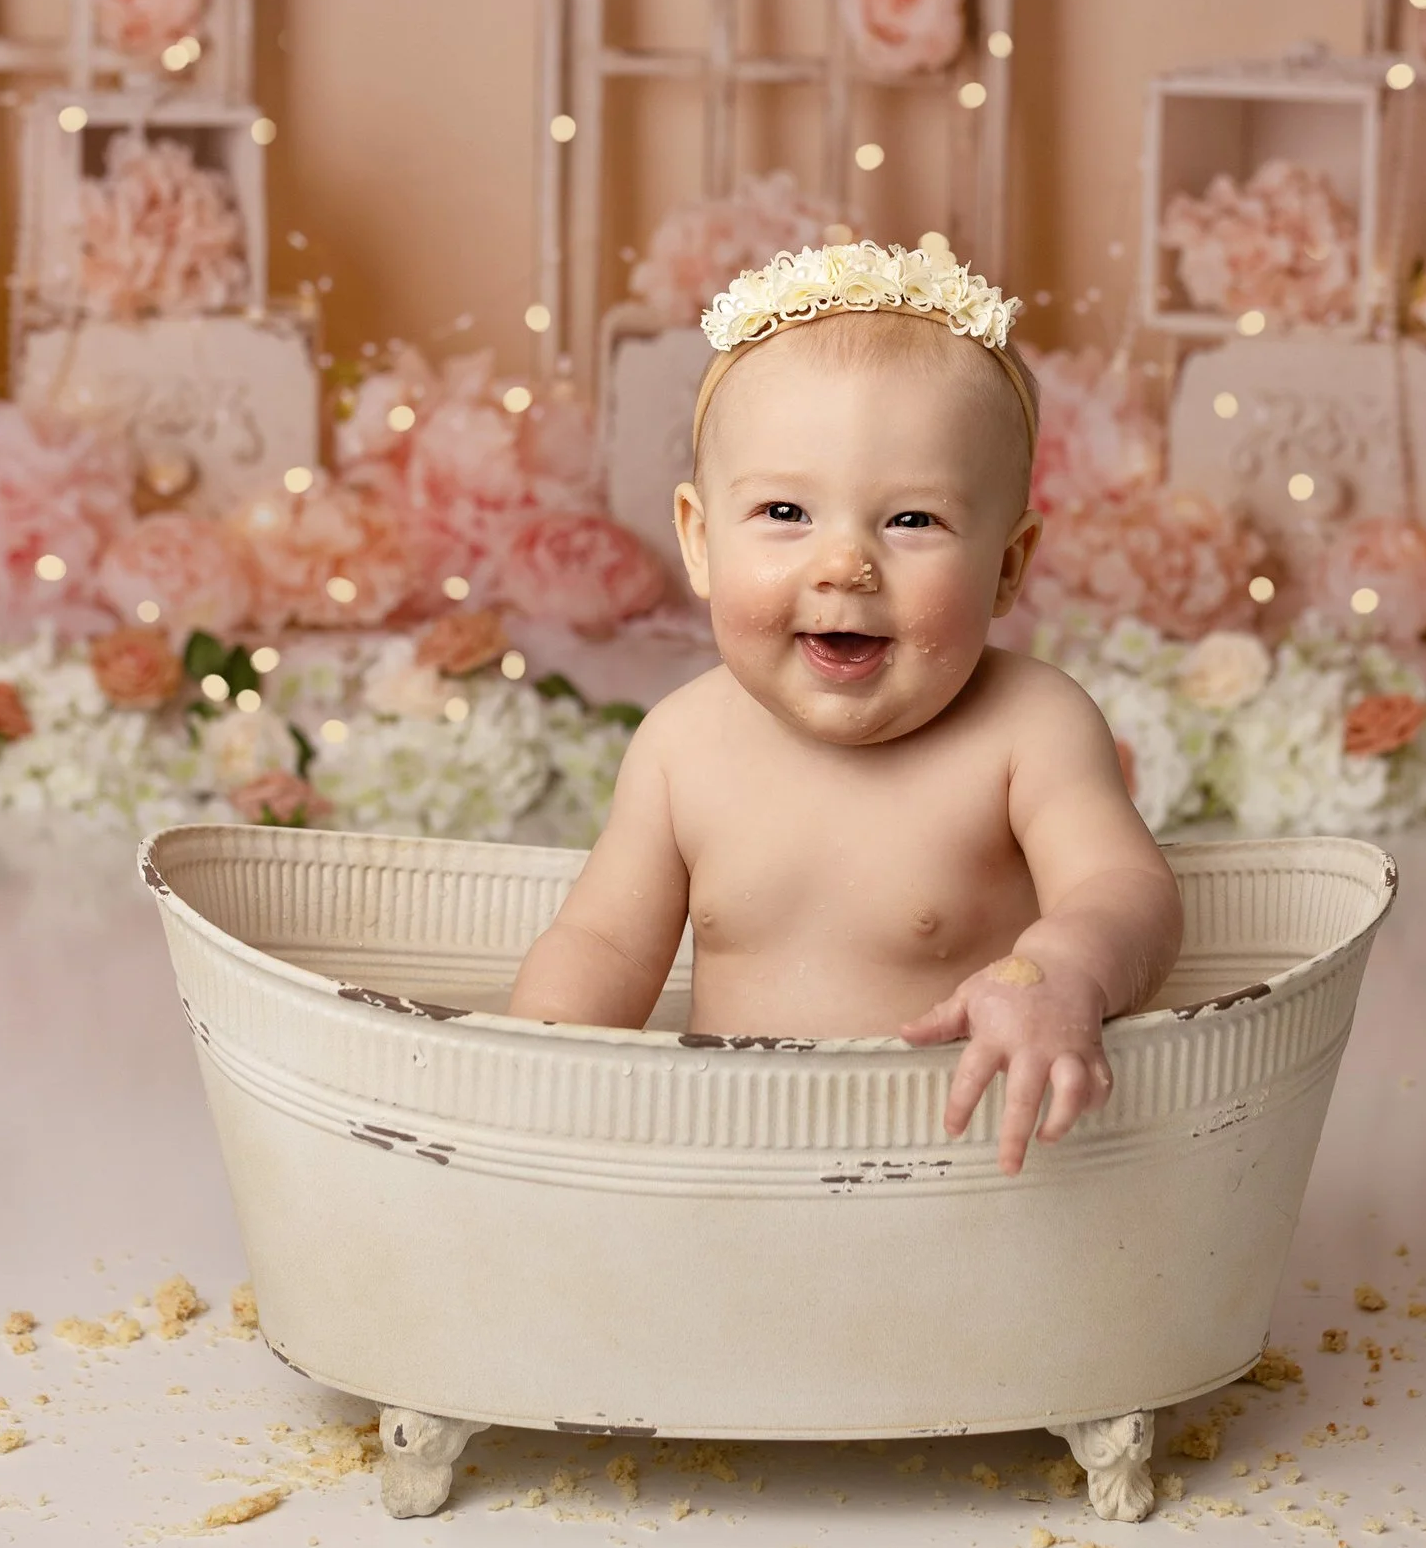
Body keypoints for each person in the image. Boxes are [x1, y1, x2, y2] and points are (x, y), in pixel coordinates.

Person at [507, 237, 1184, 1171]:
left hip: (952, 1178)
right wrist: (534, 1067)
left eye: (913, 520)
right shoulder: (682, 746)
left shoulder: (1030, 730)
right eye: (786, 514)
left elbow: (1125, 891)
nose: (845, 564)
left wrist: (1062, 969)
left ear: (1008, 566)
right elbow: (602, 943)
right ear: (700, 543)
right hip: (725, 1173)